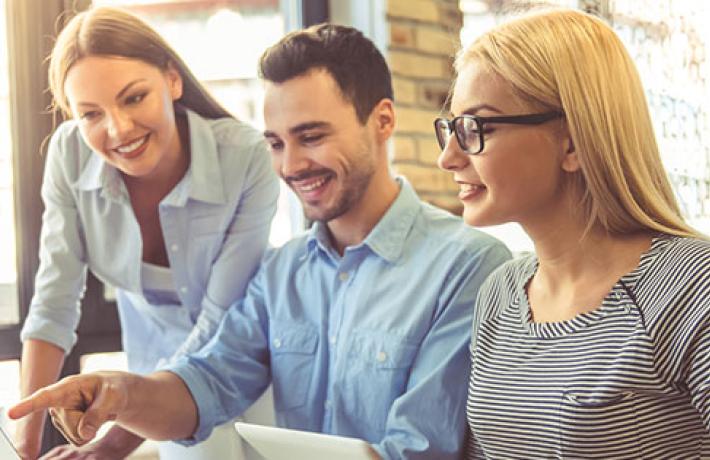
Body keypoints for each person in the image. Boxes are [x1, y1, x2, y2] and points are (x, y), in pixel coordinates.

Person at [10, 23, 511, 459]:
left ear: (382, 121)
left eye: (312, 136)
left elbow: (420, 450)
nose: (290, 166)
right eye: (276, 142)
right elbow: (205, 383)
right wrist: (117, 394)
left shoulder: (466, 266)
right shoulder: (281, 273)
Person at [434, 8, 710, 459]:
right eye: (451, 128)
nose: (448, 157)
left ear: (573, 142)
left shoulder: (692, 285)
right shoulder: (500, 293)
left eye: (475, 128)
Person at [15, 6, 279, 460]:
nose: (117, 129)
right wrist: (26, 444)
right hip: (149, 398)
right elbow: (54, 303)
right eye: (90, 114)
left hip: (244, 376)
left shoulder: (246, 156)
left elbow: (217, 324)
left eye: (134, 98)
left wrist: (113, 442)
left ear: (172, 81)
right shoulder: (69, 155)